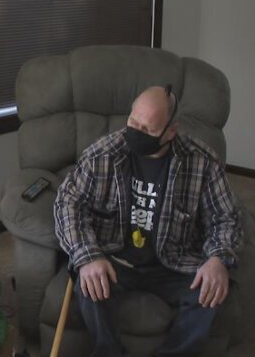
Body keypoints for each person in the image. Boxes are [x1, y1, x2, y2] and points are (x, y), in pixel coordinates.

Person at [54, 85, 243, 357]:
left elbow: (226, 218)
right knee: (89, 287)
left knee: (212, 293)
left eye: (148, 130)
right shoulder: (102, 154)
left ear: (171, 131)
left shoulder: (202, 161)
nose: (137, 133)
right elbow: (67, 204)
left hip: (175, 263)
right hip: (116, 260)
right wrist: (87, 256)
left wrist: (218, 260)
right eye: (133, 123)